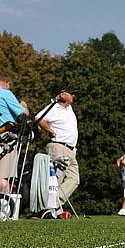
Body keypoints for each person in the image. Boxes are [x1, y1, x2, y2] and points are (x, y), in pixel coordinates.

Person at [37, 86, 79, 217]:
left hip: (71, 149)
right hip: (58, 147)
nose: (74, 96)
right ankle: (51, 208)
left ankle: (55, 203)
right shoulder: (53, 108)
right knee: (57, 179)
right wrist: (49, 130)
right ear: (62, 95)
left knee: (74, 179)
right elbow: (38, 118)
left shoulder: (69, 108)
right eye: (71, 94)